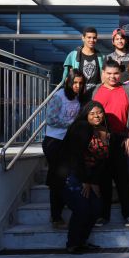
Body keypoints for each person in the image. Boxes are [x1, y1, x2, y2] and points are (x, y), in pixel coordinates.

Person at [91, 60, 129, 228]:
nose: (112, 77)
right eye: (109, 73)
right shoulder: (95, 90)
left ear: (120, 74)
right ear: (103, 73)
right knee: (103, 179)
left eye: (116, 73)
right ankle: (102, 215)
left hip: (122, 139)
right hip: (101, 140)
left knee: (124, 179)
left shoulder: (128, 90)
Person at [59, 101, 109, 254]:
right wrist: (85, 180)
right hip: (73, 175)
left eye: (99, 112)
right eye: (92, 113)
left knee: (95, 208)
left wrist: (93, 181)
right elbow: (76, 156)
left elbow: (101, 161)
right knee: (82, 208)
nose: (97, 116)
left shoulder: (102, 130)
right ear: (85, 115)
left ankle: (82, 241)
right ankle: (73, 244)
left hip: (89, 177)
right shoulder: (82, 127)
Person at [43, 69, 84, 229]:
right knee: (57, 180)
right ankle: (56, 217)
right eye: (75, 82)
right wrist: (72, 125)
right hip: (54, 142)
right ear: (68, 81)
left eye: (80, 83)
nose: (77, 86)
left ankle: (63, 210)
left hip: (67, 142)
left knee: (65, 178)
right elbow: (50, 119)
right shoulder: (59, 96)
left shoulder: (77, 97)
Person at [63, 26, 103, 98]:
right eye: (89, 37)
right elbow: (66, 78)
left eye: (94, 38)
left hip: (95, 95)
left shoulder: (101, 57)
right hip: (77, 96)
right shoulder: (73, 55)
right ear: (83, 38)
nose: (92, 40)